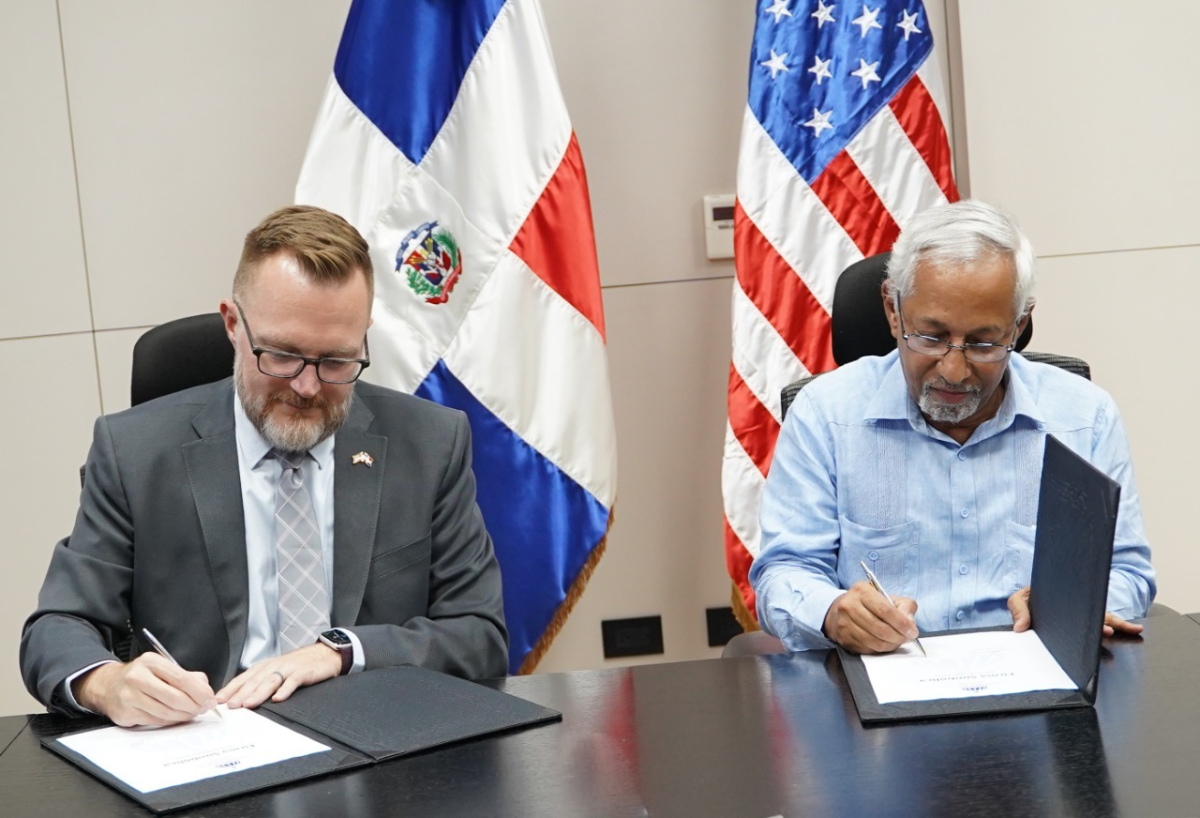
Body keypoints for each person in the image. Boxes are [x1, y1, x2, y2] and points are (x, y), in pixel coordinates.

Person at [21, 205, 508, 725]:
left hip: (379, 751)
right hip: (209, 753)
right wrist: (108, 682)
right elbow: (57, 625)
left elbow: (479, 634)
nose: (307, 386)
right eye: (281, 355)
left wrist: (341, 652)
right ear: (233, 325)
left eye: (337, 360)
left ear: (364, 335)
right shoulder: (134, 452)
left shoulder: (431, 443)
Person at [750, 199, 1155, 654]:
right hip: (880, 689)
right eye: (931, 337)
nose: (954, 370)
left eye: (984, 343)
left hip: (1037, 679)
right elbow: (783, 573)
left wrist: (1067, 603)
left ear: (1018, 326)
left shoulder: (1084, 418)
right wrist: (831, 611)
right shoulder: (825, 414)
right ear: (892, 310)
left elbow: (1128, 571)